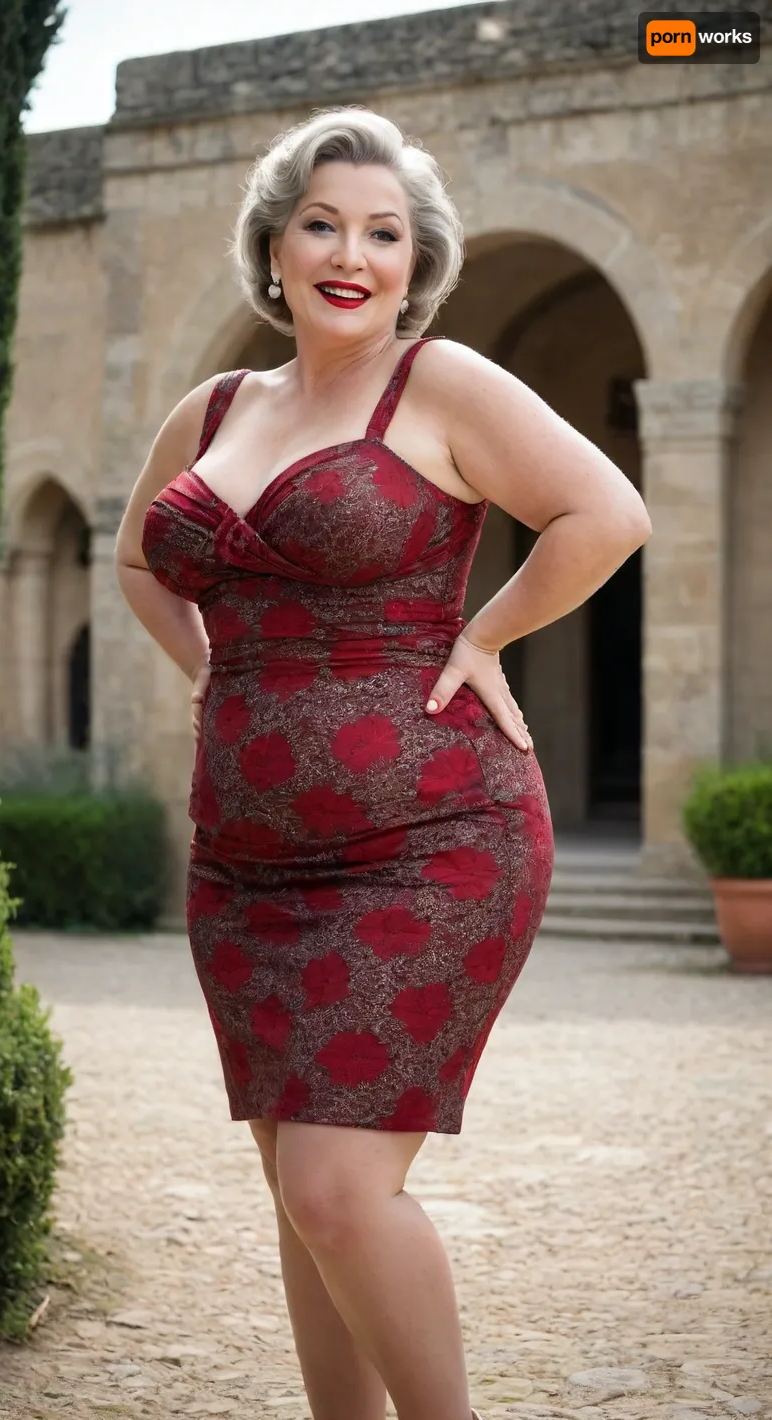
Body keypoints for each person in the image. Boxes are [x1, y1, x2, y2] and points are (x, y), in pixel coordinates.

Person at [115, 106, 651, 1420]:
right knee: (299, 1204)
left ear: (416, 263)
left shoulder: (446, 385)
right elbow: (137, 560)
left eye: (383, 232)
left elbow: (606, 513)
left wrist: (486, 630)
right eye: (321, 222)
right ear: (276, 245)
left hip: (434, 839)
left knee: (334, 1188)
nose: (349, 252)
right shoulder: (213, 409)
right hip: (242, 861)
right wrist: (215, 675)